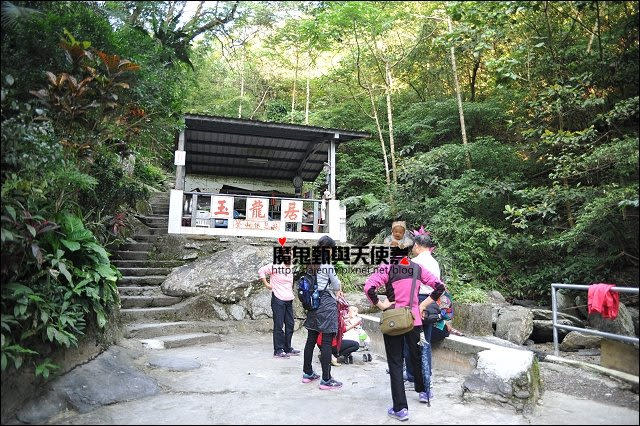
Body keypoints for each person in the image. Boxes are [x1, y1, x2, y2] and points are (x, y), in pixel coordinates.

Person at [364, 258, 445, 421]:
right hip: (414, 320)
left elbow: (369, 288)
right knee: (417, 355)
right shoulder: (417, 268)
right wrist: (422, 306)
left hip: (394, 320)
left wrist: (382, 306)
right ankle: (424, 391)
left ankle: (400, 409)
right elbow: (439, 287)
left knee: (395, 363)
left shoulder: (387, 267)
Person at [301, 235, 344, 389]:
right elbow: (336, 283)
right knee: (326, 341)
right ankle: (326, 380)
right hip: (325, 303)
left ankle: (307, 373)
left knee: (311, 339)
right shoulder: (327, 264)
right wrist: (338, 289)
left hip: (312, 304)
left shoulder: (311, 262)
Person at [258, 260, 299, 358]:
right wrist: (267, 284)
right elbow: (261, 271)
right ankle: (278, 350)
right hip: (278, 299)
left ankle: (287, 348)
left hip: (289, 299)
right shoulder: (276, 266)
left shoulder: (291, 267)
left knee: (290, 324)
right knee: (279, 325)